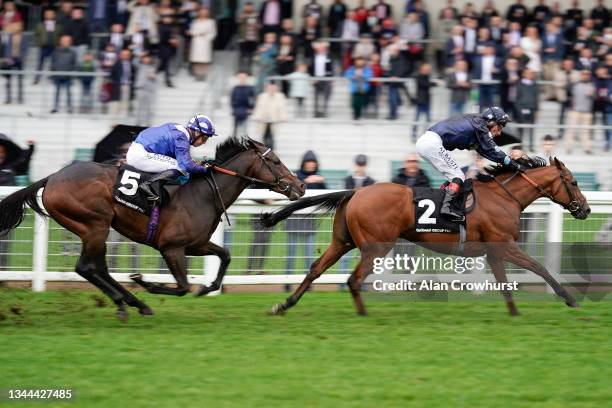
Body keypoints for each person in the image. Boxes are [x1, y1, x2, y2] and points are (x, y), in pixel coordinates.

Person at [415, 107, 522, 221]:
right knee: (458, 176)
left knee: (453, 177)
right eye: (499, 127)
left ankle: (441, 200)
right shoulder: (480, 126)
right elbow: (492, 149)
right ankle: (445, 208)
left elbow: (485, 151)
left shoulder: (477, 125)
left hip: (427, 142)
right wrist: (512, 163)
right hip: (432, 143)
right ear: (491, 122)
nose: (499, 132)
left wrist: (504, 161)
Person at [125, 114, 217, 201]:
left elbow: (181, 159)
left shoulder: (180, 130)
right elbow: (186, 165)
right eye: (205, 138)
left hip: (140, 150)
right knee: (180, 169)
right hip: (140, 155)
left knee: (177, 165)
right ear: (197, 133)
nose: (204, 142)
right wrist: (205, 169)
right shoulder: (182, 138)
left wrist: (198, 165)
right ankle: (148, 185)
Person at [285, 150, 326, 292]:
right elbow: (293, 192)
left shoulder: (319, 179)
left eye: (313, 162)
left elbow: (325, 198)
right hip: (294, 223)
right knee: (291, 256)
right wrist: (307, 181)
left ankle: (308, 284)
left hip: (309, 224)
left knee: (308, 257)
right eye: (309, 162)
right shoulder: (295, 176)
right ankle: (287, 283)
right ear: (304, 163)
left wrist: (322, 183)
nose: (311, 165)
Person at [251, 82, 287, 149]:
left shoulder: (280, 96)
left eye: (273, 88)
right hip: (263, 120)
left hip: (274, 120)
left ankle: (270, 150)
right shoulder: (262, 96)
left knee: (271, 136)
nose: (272, 89)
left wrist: (283, 117)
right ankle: (265, 150)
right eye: (270, 88)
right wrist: (257, 116)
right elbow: (258, 107)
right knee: (264, 135)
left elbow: (282, 108)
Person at [50, 34, 77, 114]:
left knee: (69, 92)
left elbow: (74, 63)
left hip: (68, 76)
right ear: (60, 42)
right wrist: (54, 71)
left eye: (67, 41)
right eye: (63, 41)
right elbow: (53, 62)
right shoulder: (56, 51)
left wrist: (70, 71)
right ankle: (55, 107)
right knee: (57, 92)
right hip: (57, 75)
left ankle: (69, 107)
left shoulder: (73, 52)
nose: (65, 42)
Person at [189, 7, 216, 81]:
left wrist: (207, 37)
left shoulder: (211, 22)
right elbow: (191, 31)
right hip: (197, 41)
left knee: (204, 59)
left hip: (205, 41)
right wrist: (198, 33)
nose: (203, 13)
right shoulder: (195, 21)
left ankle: (203, 75)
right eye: (202, 11)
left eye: (205, 12)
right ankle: (197, 75)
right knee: (197, 59)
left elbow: (213, 33)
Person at [230, 71, 256, 137]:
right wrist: (233, 108)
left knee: (244, 128)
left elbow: (253, 99)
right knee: (235, 129)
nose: (242, 79)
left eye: (243, 77)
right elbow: (232, 99)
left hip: (246, 109)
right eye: (240, 77)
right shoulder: (235, 88)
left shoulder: (250, 88)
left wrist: (251, 108)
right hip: (237, 110)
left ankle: (244, 141)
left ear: (247, 78)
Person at [134, 53, 156, 126]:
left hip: (149, 90)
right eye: (145, 58)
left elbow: (154, 79)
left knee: (148, 108)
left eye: (148, 58)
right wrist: (140, 56)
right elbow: (134, 61)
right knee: (139, 107)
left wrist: (153, 77)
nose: (146, 59)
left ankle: (148, 123)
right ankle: (138, 122)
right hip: (140, 89)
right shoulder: (139, 66)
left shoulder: (152, 67)